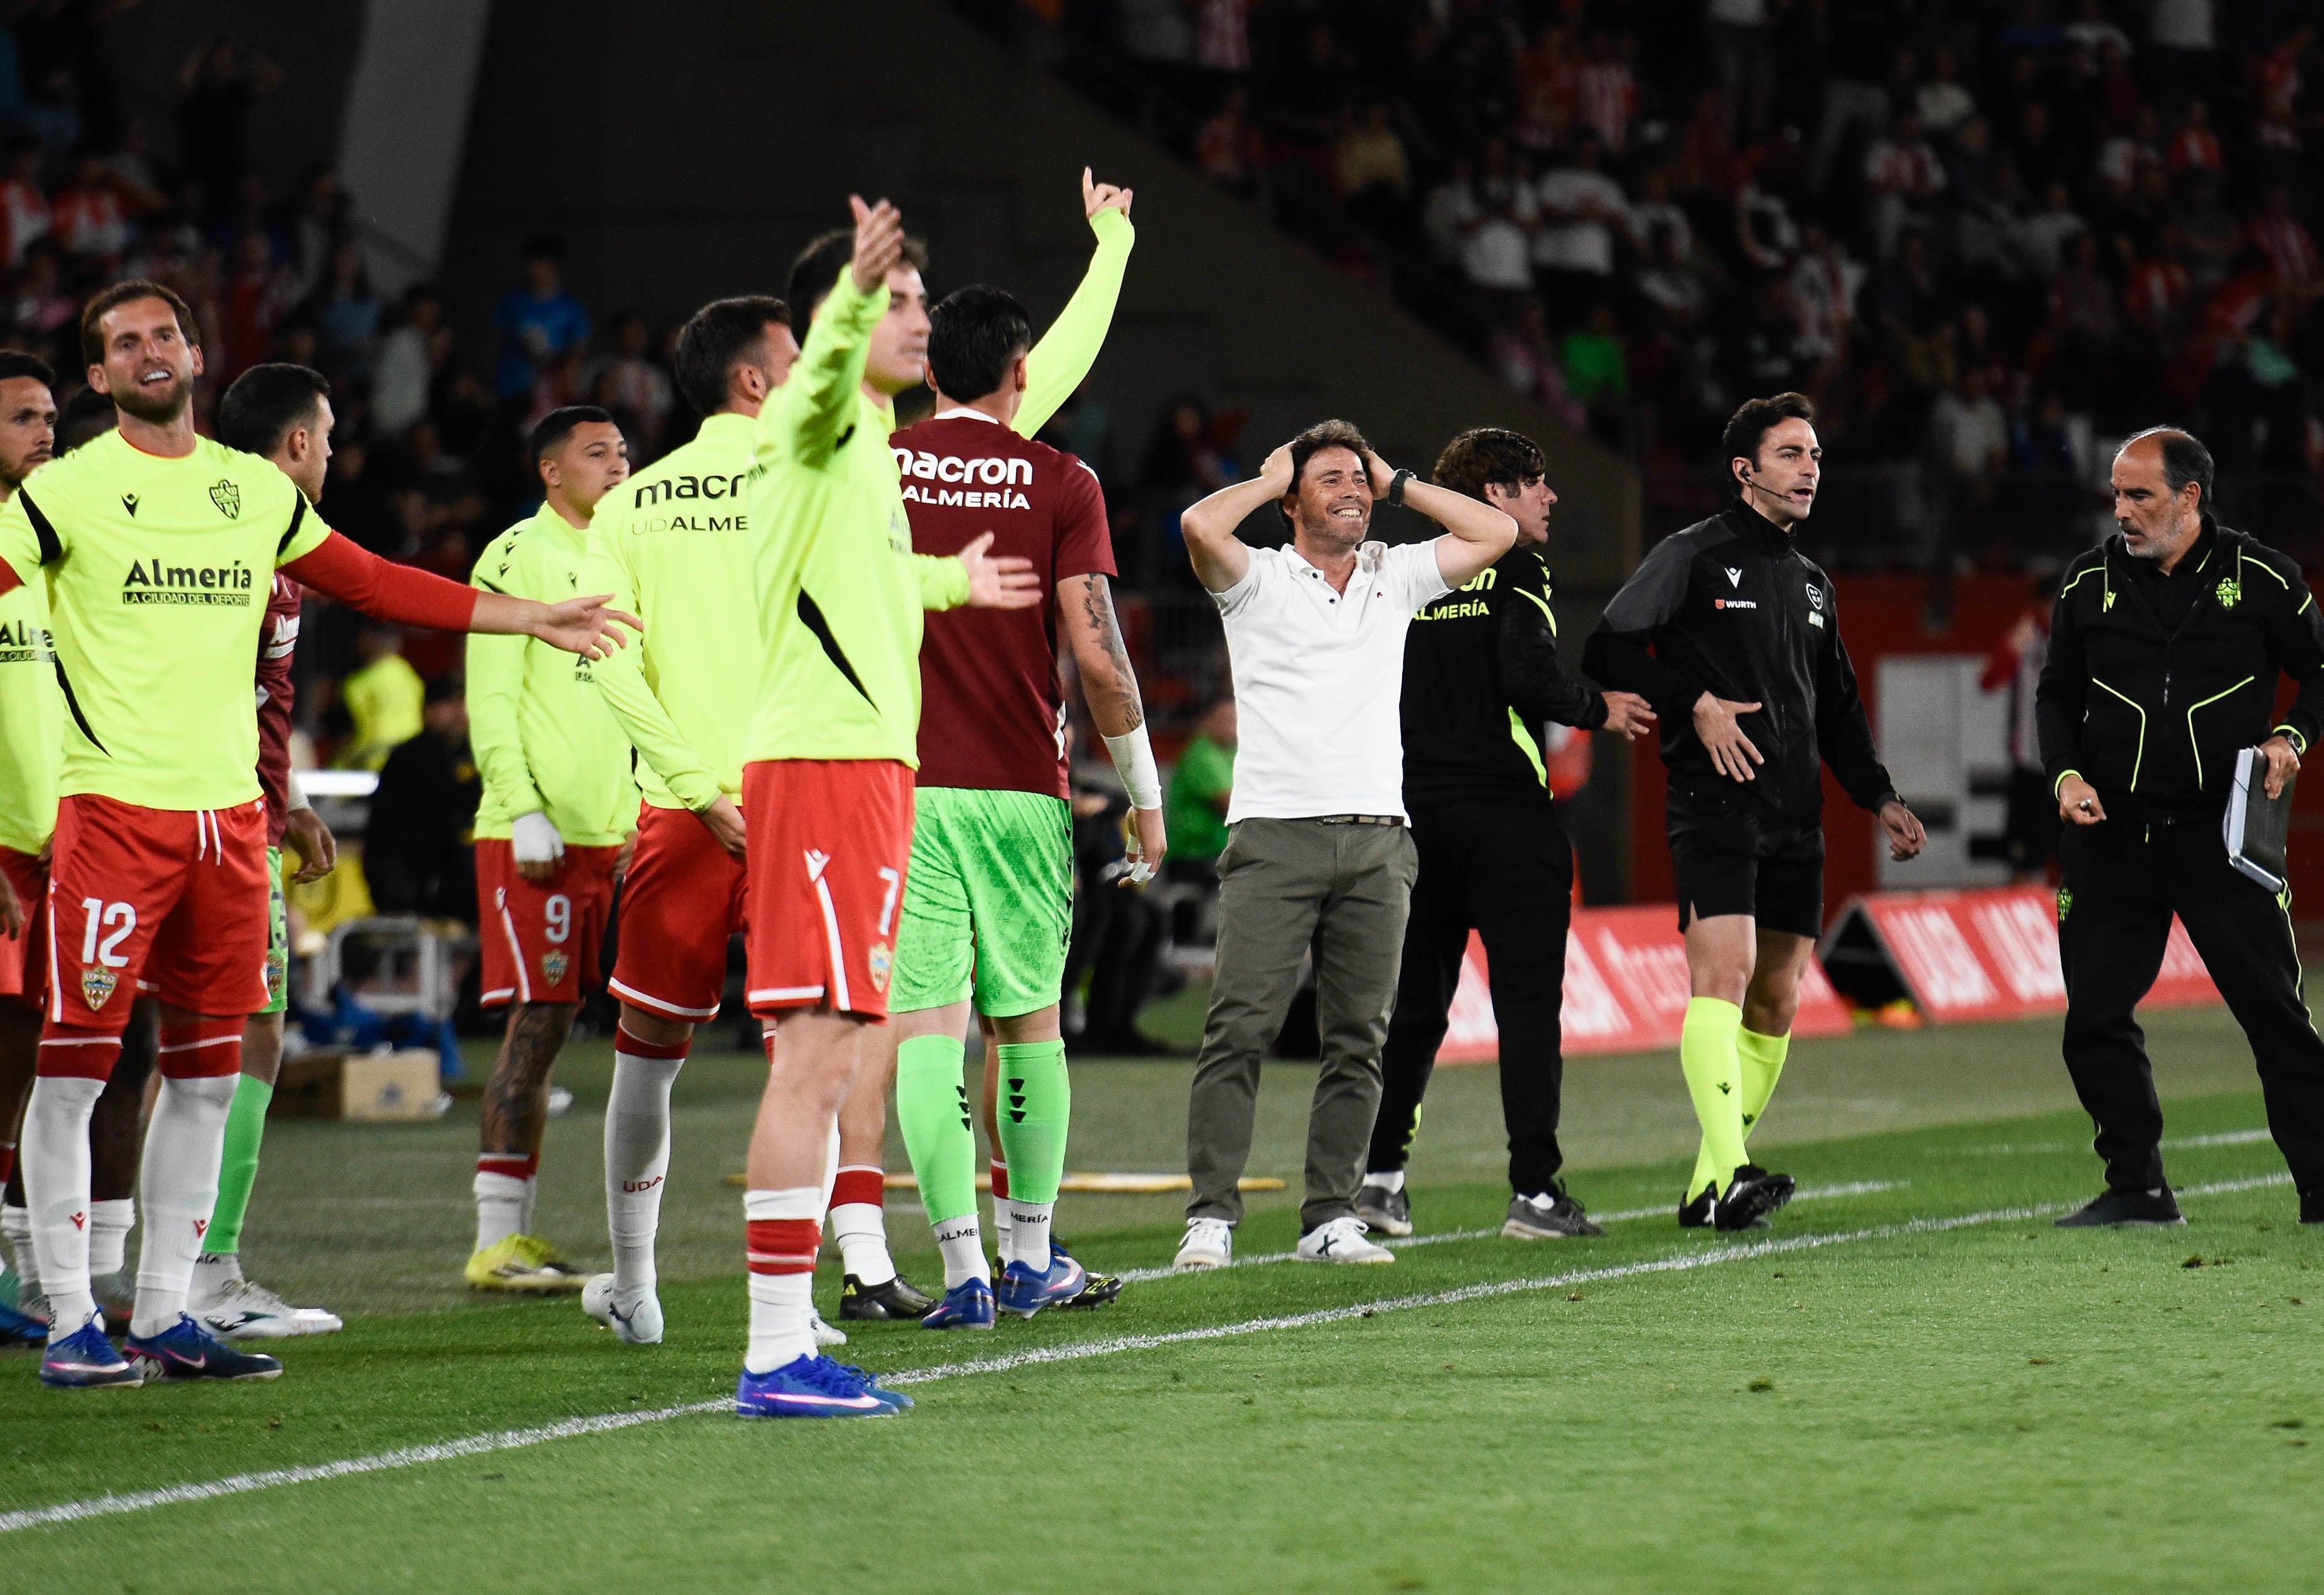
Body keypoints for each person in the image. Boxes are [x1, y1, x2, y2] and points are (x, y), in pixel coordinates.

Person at [1, 279, 634, 1390]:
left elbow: (375, 582)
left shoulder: (255, 492)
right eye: (124, 342)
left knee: (204, 1078)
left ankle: (164, 1311)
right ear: (96, 377)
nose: (151, 351)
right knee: (79, 1072)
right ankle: (66, 1323)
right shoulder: (61, 495)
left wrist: (533, 616)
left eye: (167, 333)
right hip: (110, 821)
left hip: (229, 831)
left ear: (196, 354)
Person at [730, 197, 1037, 1417]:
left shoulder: (861, 446)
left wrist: (944, 580)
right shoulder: (809, 425)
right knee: (811, 1057)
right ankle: (768, 1352)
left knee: (841, 1048)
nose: (918, 317)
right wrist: (850, 294)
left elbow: (853, 569)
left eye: (911, 298)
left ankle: (785, 1336)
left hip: (863, 769)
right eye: (897, 300)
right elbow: (804, 400)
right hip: (819, 768)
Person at [884, 173, 1152, 1330]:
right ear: (1020, 375)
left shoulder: (869, 470)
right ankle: (1033, 1255)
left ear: (926, 370)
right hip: (1019, 795)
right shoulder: (1060, 479)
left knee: (925, 1033)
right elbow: (1098, 659)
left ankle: (959, 1277)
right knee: (1027, 1021)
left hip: (896, 792)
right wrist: (1140, 795)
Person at [580, 292, 856, 1349]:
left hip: (683, 815)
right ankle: (794, 1311)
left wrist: (698, 790)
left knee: (647, 1057)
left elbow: (608, 660)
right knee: (810, 1057)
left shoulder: (630, 507)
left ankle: (636, 1287)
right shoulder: (818, 483)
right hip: (803, 801)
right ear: (753, 380)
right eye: (793, 359)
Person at [1174, 419, 1516, 1271]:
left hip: (1377, 841)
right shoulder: (1257, 579)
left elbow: (1498, 531)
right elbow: (1199, 527)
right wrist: (1269, 473)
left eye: (1358, 480)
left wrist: (1396, 479)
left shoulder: (1393, 575)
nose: (1352, 491)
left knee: (1359, 1038)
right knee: (1239, 1029)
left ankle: (1330, 1214)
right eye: (1331, 479)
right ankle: (1211, 1216)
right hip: (1273, 836)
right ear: (1291, 500)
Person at [1583, 392, 1925, 1231]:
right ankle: (1733, 1171)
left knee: (1775, 1000)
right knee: (1724, 980)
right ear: (1744, 470)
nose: (1809, 469)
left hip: (1793, 814)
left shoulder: (1812, 585)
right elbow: (1608, 646)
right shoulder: (1692, 556)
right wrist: (1693, 699)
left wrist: (1877, 795)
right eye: (1790, 454)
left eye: (1814, 455)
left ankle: (1710, 1186)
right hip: (1714, 802)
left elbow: (1837, 707)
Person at [1358, 428, 1653, 1243]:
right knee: (1526, 1006)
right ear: (1496, 496)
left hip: (1416, 816)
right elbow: (1527, 674)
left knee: (1415, 1007)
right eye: (1534, 484)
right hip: (1504, 815)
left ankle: (1379, 1184)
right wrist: (1601, 706)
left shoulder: (1406, 573)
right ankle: (1534, 1191)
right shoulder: (1514, 563)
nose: (1549, 498)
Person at [2038, 428, 2324, 1228]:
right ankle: (2136, 1185)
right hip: (2111, 834)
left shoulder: (2261, 577)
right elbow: (2054, 694)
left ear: (2189, 497)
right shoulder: (2086, 582)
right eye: (2115, 494)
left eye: (2140, 496)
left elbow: (2319, 671)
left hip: (2221, 835)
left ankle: (2321, 1183)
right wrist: (2062, 775)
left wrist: (2289, 735)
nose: (2121, 511)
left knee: (2274, 1014)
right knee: (2093, 1016)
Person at [462, 405, 640, 1294]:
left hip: (617, 829)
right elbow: (491, 698)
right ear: (549, 471)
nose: (617, 465)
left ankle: (518, 1238)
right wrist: (524, 807)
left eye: (623, 452)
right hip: (537, 837)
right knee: (535, 1023)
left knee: (567, 1021)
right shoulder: (513, 557)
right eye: (596, 453)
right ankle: (497, 1240)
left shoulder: (631, 555)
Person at [187, 362, 345, 1341]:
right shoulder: (248, 542)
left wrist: (282, 802)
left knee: (207, 1037)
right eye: (325, 436)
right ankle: (202, 1274)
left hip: (242, 810)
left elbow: (236, 696)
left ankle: (171, 1270)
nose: (332, 452)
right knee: (239, 1033)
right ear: (294, 446)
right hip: (207, 820)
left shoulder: (256, 542)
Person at [0, 350, 58, 1346]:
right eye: (21, 417)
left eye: (51, 414)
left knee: (26, 1071)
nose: (45, 430)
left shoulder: (53, 536)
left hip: (61, 846)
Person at [364, 672, 477, 919]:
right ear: (429, 710)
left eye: (462, 703)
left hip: (447, 875)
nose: (460, 712)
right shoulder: (410, 757)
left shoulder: (469, 755)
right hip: (408, 876)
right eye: (450, 704)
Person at [1981, 574, 2059, 883]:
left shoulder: (2081, 638)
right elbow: (1988, 682)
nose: (2054, 610)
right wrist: (2011, 649)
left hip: (2070, 769)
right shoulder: (2025, 638)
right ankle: (2021, 923)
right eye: (2048, 603)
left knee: (2075, 863)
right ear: (2038, 605)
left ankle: (2068, 928)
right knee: (2023, 862)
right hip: (2029, 766)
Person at [1165, 696, 1236, 890]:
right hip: (1194, 856)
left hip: (1221, 854)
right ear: (1207, 721)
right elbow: (1232, 807)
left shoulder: (1233, 752)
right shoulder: (1201, 754)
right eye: (1227, 719)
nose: (1235, 726)